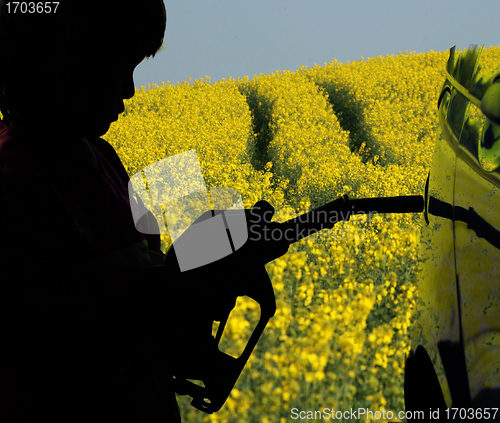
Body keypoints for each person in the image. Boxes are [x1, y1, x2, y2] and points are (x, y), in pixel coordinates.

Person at [0, 1, 289, 421]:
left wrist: (197, 251)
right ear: (63, 64)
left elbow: (147, 276)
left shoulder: (103, 158)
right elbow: (47, 341)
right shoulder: (14, 186)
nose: (130, 90)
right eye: (120, 67)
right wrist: (171, 290)